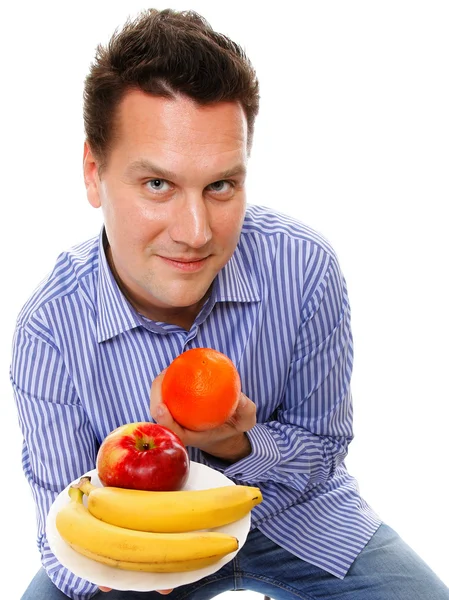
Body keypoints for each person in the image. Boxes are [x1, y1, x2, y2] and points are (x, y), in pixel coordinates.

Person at [10, 8, 449, 600]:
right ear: (94, 172)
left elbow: (323, 451)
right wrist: (120, 575)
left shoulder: (305, 268)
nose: (195, 232)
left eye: (220, 185)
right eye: (158, 185)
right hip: (146, 549)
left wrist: (236, 445)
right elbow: (62, 524)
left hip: (298, 519)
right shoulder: (50, 327)